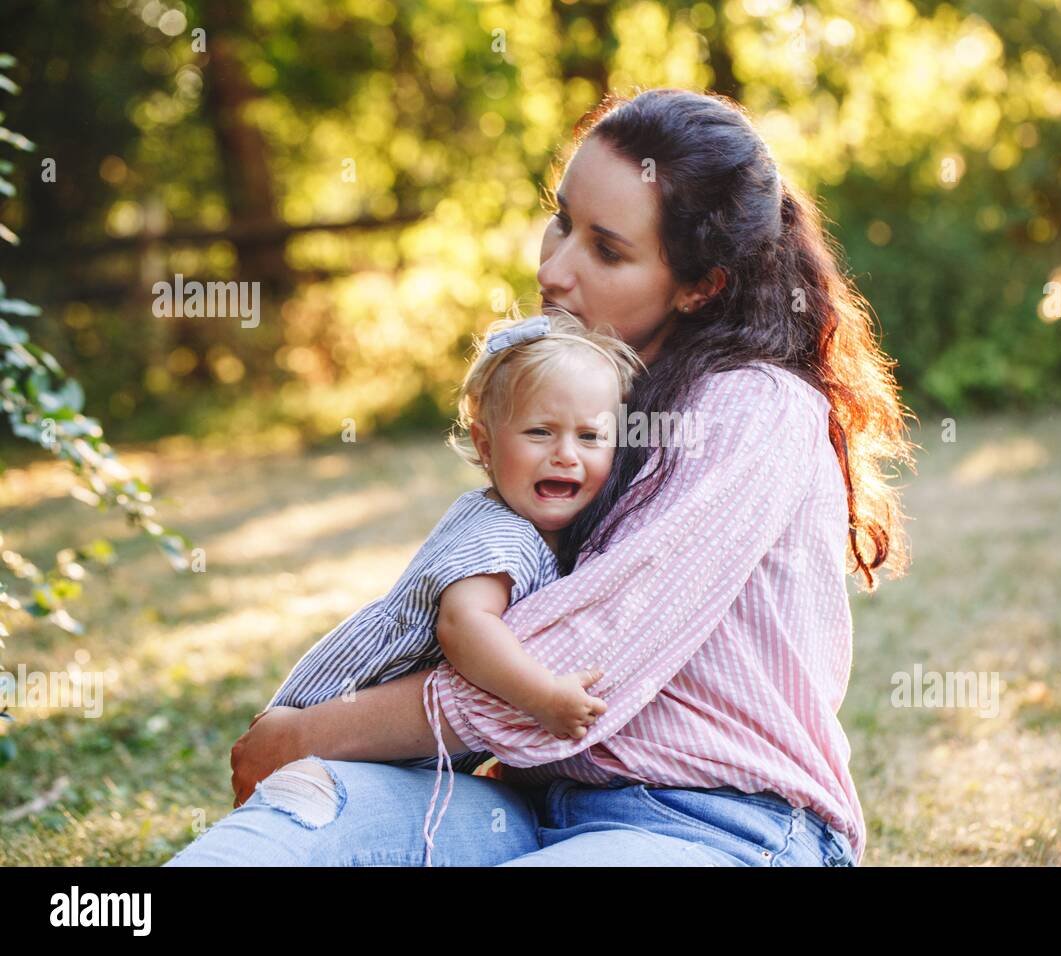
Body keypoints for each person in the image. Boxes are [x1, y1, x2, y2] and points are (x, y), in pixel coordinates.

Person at [165, 87, 914, 867]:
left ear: (702, 285)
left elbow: (581, 663)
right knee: (308, 807)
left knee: (308, 761)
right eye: (561, 220)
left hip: (720, 830)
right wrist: (309, 757)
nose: (554, 269)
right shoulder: (590, 401)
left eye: (607, 249)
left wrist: (305, 733)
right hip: (524, 809)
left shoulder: (754, 410)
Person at [254, 311, 641, 863]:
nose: (565, 453)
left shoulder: (539, 531)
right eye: (539, 432)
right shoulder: (499, 534)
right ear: (485, 446)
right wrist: (543, 698)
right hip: (344, 724)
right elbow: (465, 628)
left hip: (383, 748)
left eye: (590, 437)